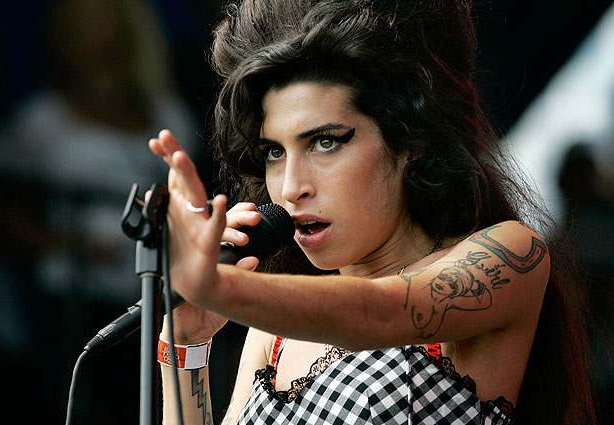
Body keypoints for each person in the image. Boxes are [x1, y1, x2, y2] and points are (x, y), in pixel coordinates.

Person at [148, 0, 596, 424]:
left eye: (325, 142)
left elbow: (380, 314)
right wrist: (186, 340)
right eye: (274, 152)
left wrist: (219, 286)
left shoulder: (509, 255)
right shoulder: (272, 336)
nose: (290, 188)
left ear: (409, 141)